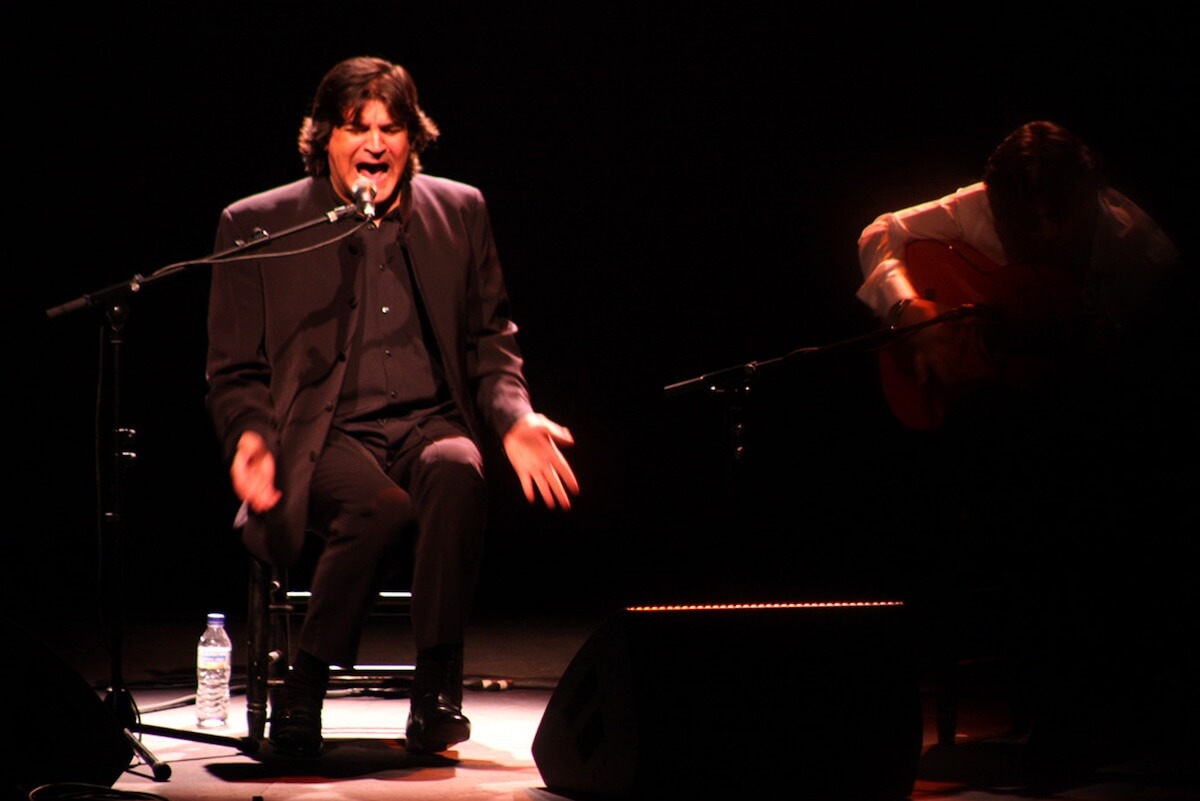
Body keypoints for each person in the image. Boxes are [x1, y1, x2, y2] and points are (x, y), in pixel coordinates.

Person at [204, 55, 580, 758]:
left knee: (458, 465)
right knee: (381, 507)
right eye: (357, 127)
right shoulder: (256, 224)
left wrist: (513, 415)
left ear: (414, 138)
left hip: (425, 420)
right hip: (322, 435)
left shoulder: (460, 210)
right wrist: (250, 438)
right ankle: (303, 689)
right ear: (325, 138)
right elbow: (235, 372)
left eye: (392, 127)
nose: (375, 143)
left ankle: (437, 692)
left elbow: (489, 343)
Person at [855, 121, 1193, 775]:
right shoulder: (977, 206)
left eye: (1055, 216)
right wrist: (908, 313)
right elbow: (880, 233)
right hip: (1004, 436)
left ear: (1091, 197)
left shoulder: (1141, 254)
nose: (1040, 231)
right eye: (1022, 218)